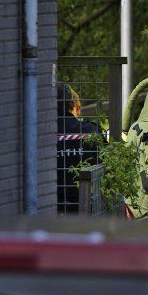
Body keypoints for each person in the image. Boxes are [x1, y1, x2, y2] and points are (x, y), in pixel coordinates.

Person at [56, 82, 101, 213]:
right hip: (88, 206)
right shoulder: (91, 131)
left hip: (52, 207)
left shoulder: (38, 135)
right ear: (72, 104)